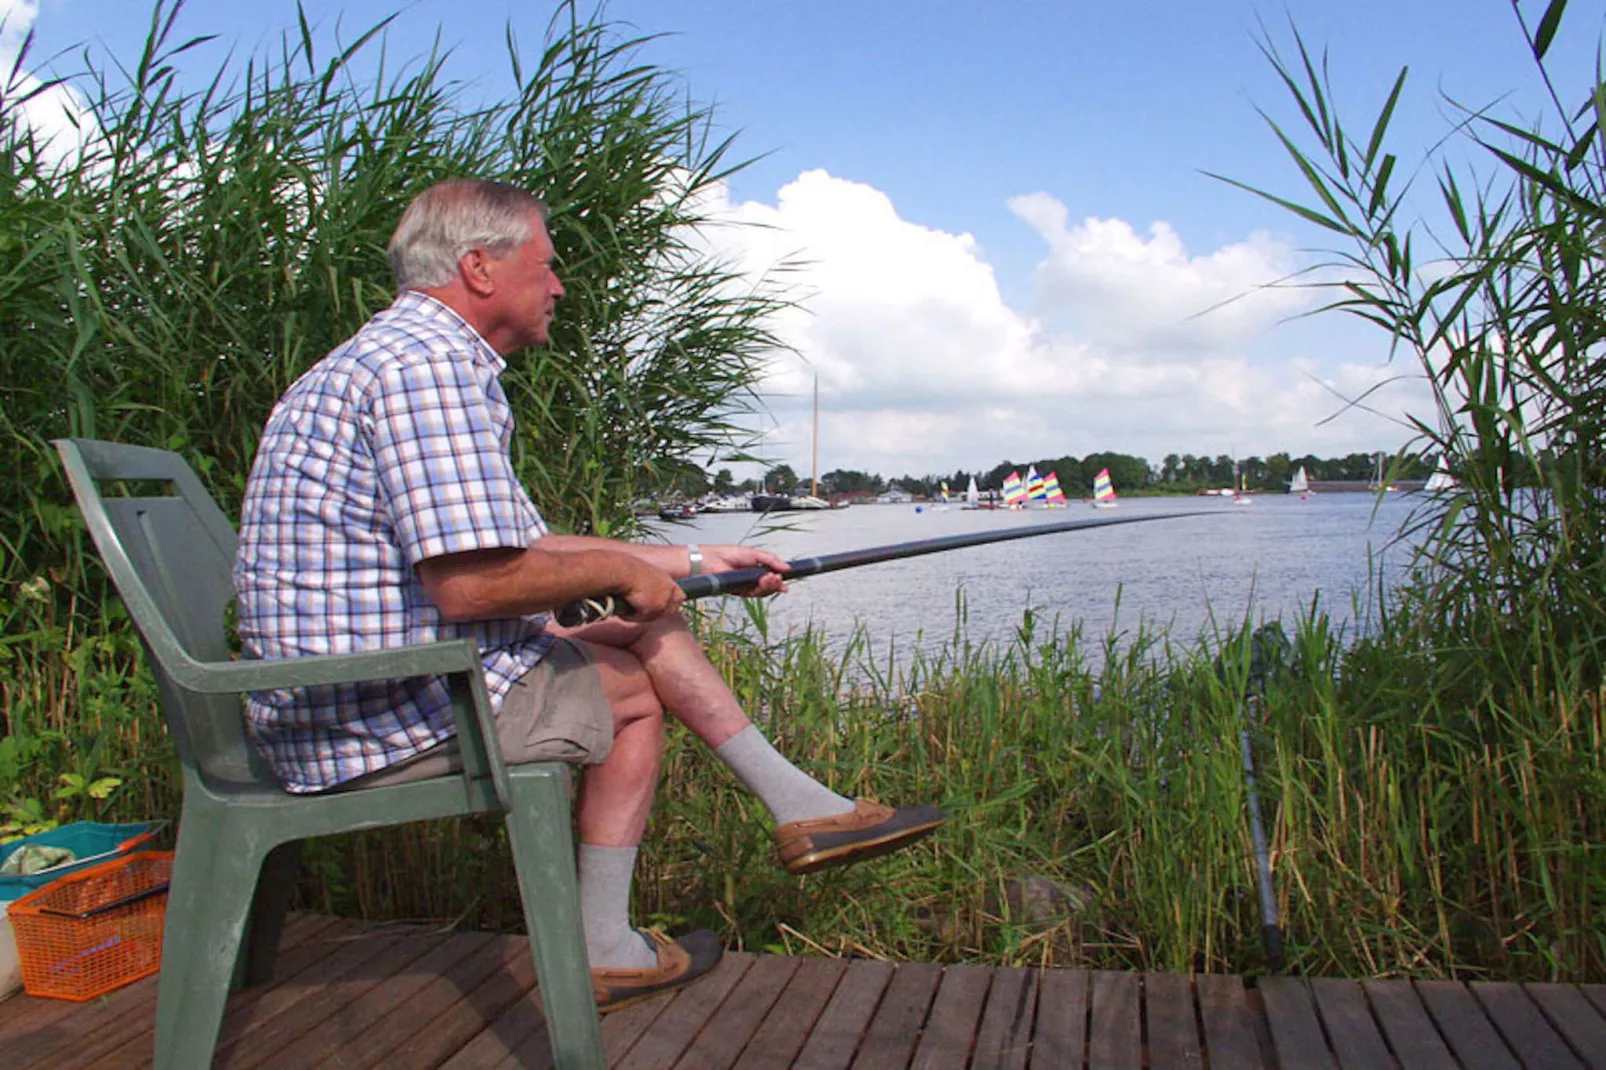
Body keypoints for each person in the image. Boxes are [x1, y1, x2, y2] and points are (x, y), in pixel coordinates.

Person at [233, 178, 945, 1012]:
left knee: (645, 631)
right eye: (547, 264)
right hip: (363, 713)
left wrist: (689, 557)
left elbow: (526, 551)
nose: (559, 285)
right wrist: (624, 576)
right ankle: (615, 940)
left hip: (344, 689)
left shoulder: (399, 356)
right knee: (637, 696)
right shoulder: (425, 371)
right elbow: (471, 586)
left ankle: (797, 807)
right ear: (480, 268)